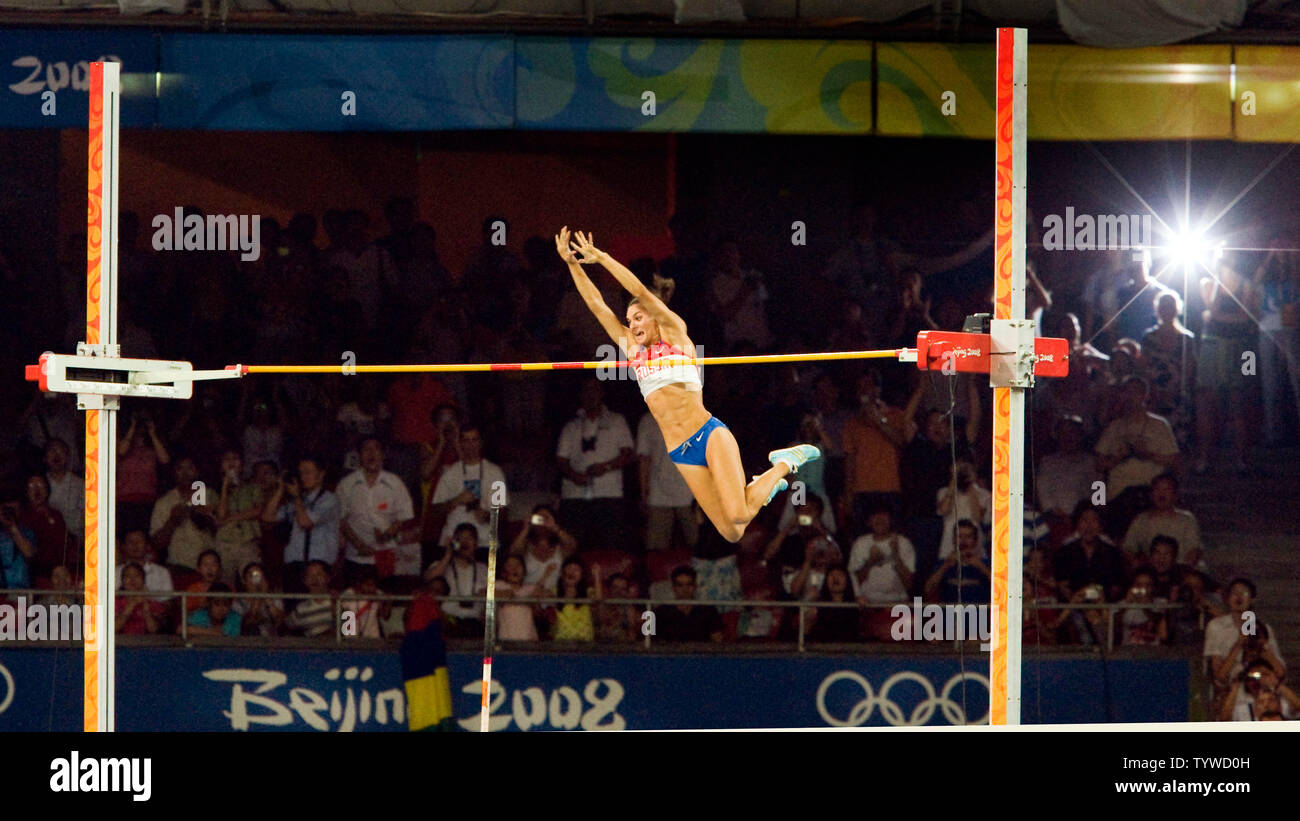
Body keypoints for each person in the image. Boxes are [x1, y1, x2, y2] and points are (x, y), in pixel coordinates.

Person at [557, 228, 819, 543]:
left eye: (639, 317)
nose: (633, 324)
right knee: (732, 531)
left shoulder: (677, 335)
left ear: (654, 317)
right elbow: (598, 306)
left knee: (737, 513)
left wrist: (602, 258)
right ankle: (765, 484)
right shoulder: (632, 350)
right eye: (629, 320)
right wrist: (573, 264)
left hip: (708, 434)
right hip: (680, 450)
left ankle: (783, 464)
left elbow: (639, 288)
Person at [556, 380, 635, 553]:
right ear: (580, 395)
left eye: (594, 390)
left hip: (609, 493)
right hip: (575, 495)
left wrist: (606, 467)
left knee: (612, 542)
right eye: (586, 390)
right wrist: (573, 475)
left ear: (602, 394)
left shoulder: (616, 420)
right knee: (574, 543)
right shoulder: (572, 425)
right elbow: (561, 459)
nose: (590, 395)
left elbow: (629, 453)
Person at [337, 437, 417, 585]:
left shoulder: (395, 482)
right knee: (353, 606)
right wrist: (358, 545)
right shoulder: (346, 484)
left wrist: (388, 534)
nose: (371, 453)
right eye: (366, 449)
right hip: (356, 556)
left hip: (386, 555)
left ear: (383, 454)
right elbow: (340, 520)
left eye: (376, 449)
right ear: (359, 455)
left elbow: (403, 516)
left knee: (386, 602)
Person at [260, 456, 341, 593]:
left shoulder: (329, 500)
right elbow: (267, 518)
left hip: (318, 567)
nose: (303, 477)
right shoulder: (295, 501)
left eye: (308, 472)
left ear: (321, 474)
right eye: (301, 473)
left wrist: (296, 497)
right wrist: (281, 489)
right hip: (294, 565)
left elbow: (305, 522)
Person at [426, 425, 507, 550]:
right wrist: (456, 501)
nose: (470, 445)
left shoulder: (495, 472)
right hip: (454, 540)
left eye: (474, 440)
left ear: (480, 443)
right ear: (460, 443)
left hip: (484, 540)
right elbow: (435, 511)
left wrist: (486, 515)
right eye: (466, 440)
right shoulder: (450, 473)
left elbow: (503, 513)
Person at [637, 410, 698, 552]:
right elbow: (644, 459)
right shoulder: (648, 420)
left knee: (698, 544)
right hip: (658, 493)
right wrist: (644, 493)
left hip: (692, 493)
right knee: (656, 549)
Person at [149, 456, 217, 572]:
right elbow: (156, 544)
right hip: (178, 565)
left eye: (189, 468)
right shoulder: (164, 502)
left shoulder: (209, 495)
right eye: (180, 469)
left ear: (197, 472)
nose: (185, 473)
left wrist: (203, 518)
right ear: (174, 473)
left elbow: (221, 529)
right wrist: (172, 521)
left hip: (210, 565)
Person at [1120, 474, 1202, 566]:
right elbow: (1128, 547)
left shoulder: (1186, 520)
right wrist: (1136, 563)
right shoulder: (1141, 520)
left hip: (1180, 570)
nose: (1161, 493)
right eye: (1157, 489)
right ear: (1151, 495)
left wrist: (1184, 568)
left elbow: (1194, 549)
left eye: (1167, 489)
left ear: (1175, 495)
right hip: (1152, 572)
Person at [422, 523, 488, 638]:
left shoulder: (484, 569)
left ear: (476, 543)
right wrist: (448, 554)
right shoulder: (441, 565)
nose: (464, 542)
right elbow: (429, 579)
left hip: (475, 623)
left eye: (469, 538)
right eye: (460, 538)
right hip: (448, 622)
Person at [214, 449, 263, 586]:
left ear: (242, 464)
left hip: (248, 542)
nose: (231, 462)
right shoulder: (213, 490)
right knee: (224, 584)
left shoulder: (253, 487)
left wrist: (230, 519)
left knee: (255, 581)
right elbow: (221, 514)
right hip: (225, 544)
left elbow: (257, 510)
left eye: (235, 458)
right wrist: (225, 487)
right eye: (227, 459)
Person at [508, 505, 576, 594]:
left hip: (556, 597)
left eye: (546, 518)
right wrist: (526, 529)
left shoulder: (561, 548)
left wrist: (555, 528)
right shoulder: (526, 547)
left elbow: (572, 546)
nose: (543, 522)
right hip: (529, 597)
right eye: (539, 518)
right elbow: (513, 553)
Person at [654, 565, 723, 642]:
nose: (685, 589)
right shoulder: (660, 612)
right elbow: (648, 642)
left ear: (695, 586)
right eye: (680, 585)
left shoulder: (709, 611)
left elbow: (717, 641)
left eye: (689, 584)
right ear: (673, 588)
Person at [495, 554, 544, 642]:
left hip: (529, 638)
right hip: (505, 638)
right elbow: (482, 593)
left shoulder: (530, 588)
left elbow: (539, 611)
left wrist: (533, 601)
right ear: (503, 571)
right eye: (510, 566)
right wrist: (502, 593)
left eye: (518, 565)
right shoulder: (499, 585)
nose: (514, 569)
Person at [806, 566, 861, 643]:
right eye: (831, 575)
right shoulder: (818, 605)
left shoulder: (855, 604)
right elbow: (805, 632)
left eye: (840, 575)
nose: (835, 578)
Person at [547, 557, 595, 641]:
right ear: (562, 573)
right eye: (569, 568)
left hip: (584, 642)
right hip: (561, 642)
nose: (572, 572)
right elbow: (536, 595)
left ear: (582, 575)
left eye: (576, 570)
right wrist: (546, 574)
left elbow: (599, 599)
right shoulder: (554, 592)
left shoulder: (588, 592)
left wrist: (597, 576)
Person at [284, 560, 336, 637]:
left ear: (328, 578)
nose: (314, 579)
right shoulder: (300, 609)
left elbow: (350, 631)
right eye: (309, 575)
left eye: (318, 574)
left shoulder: (340, 601)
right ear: (305, 581)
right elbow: (287, 628)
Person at [233, 562, 284, 637]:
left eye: (259, 576)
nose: (256, 580)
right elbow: (249, 623)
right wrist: (256, 597)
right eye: (251, 576)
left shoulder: (275, 599)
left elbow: (279, 620)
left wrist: (266, 596)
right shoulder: (237, 603)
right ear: (244, 580)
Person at [115, 563, 166, 635]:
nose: (132, 580)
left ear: (143, 580)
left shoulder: (154, 604)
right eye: (127, 576)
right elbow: (114, 628)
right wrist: (131, 605)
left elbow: (154, 630)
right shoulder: (115, 603)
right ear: (122, 581)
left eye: (137, 576)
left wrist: (146, 609)